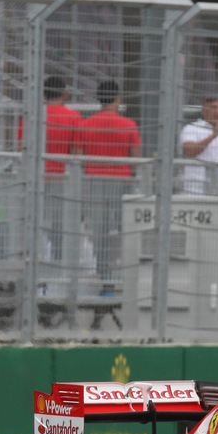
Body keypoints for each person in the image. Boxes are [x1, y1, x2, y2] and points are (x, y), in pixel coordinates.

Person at [78, 79, 140, 297]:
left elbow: (78, 156)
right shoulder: (129, 125)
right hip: (122, 183)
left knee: (100, 233)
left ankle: (107, 281)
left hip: (95, 183)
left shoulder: (85, 125)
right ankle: (127, 276)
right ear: (117, 99)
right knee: (124, 230)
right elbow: (135, 159)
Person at [19, 75, 81, 264]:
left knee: (32, 218)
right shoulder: (74, 118)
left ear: (44, 94)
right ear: (64, 94)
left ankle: (31, 257)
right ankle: (58, 257)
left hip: (35, 177)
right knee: (60, 221)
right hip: (62, 178)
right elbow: (77, 151)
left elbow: (22, 146)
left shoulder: (32, 117)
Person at [179, 95, 218, 195]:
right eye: (213, 108)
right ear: (204, 111)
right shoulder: (191, 128)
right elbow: (189, 152)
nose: (217, 112)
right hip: (193, 191)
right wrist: (214, 135)